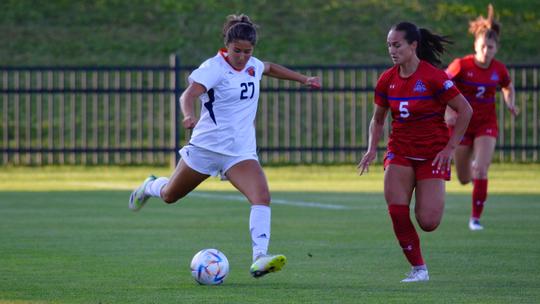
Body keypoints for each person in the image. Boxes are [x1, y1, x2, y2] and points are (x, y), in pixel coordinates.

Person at [128, 14, 321, 278]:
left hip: (240, 153)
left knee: (261, 197)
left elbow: (271, 67)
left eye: (247, 51)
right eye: (237, 51)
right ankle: (149, 186)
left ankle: (260, 258)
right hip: (206, 149)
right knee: (170, 195)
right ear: (226, 46)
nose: (241, 57)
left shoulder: (253, 65)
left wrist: (304, 79)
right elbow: (189, 94)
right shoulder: (213, 68)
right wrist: (187, 115)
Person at [357, 22, 472, 282]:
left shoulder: (434, 77)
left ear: (413, 45)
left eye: (396, 45)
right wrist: (372, 149)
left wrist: (450, 148)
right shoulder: (387, 79)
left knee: (428, 221)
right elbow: (377, 120)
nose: (392, 50)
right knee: (397, 211)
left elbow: (465, 110)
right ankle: (419, 269)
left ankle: (421, 255)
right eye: (389, 45)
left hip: (432, 154)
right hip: (399, 151)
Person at [445, 4, 517, 231]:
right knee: (464, 178)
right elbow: (442, 85)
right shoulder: (461, 65)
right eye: (483, 46)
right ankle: (476, 180)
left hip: (486, 124)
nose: (486, 51)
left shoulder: (499, 69)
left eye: (491, 47)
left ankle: (474, 219)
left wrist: (510, 103)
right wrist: (448, 111)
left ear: (496, 49)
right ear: (475, 46)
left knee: (481, 169)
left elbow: (508, 86)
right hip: (462, 125)